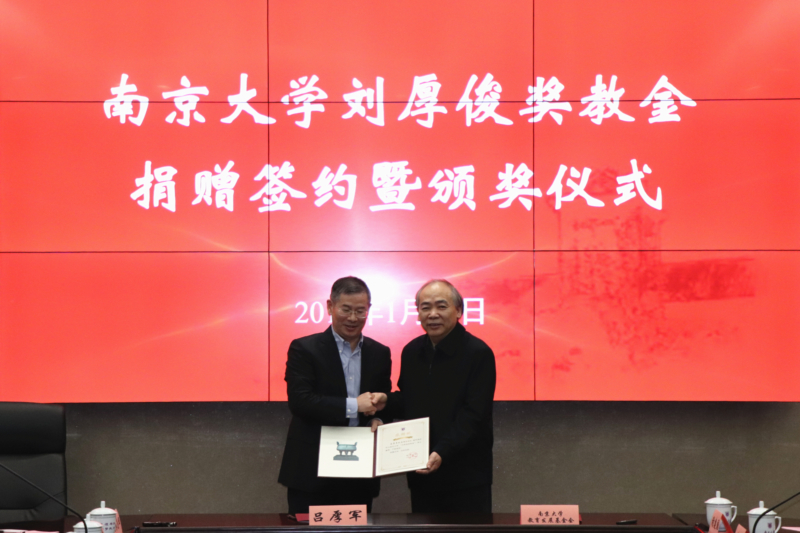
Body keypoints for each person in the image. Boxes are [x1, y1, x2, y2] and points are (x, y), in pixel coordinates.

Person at [376, 279, 496, 513]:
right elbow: (411, 401)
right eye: (425, 307)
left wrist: (442, 451)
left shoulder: (478, 353)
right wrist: (386, 401)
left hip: (466, 474)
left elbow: (474, 414)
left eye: (441, 306)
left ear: (458, 310)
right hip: (421, 469)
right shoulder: (412, 351)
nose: (432, 314)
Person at [278, 276, 392, 515]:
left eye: (360, 311)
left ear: (369, 310)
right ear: (330, 307)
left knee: (356, 530)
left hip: (359, 471)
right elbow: (300, 401)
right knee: (310, 531)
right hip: (312, 471)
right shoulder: (304, 348)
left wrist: (378, 419)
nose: (353, 318)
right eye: (346, 309)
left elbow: (383, 400)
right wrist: (355, 405)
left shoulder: (380, 353)